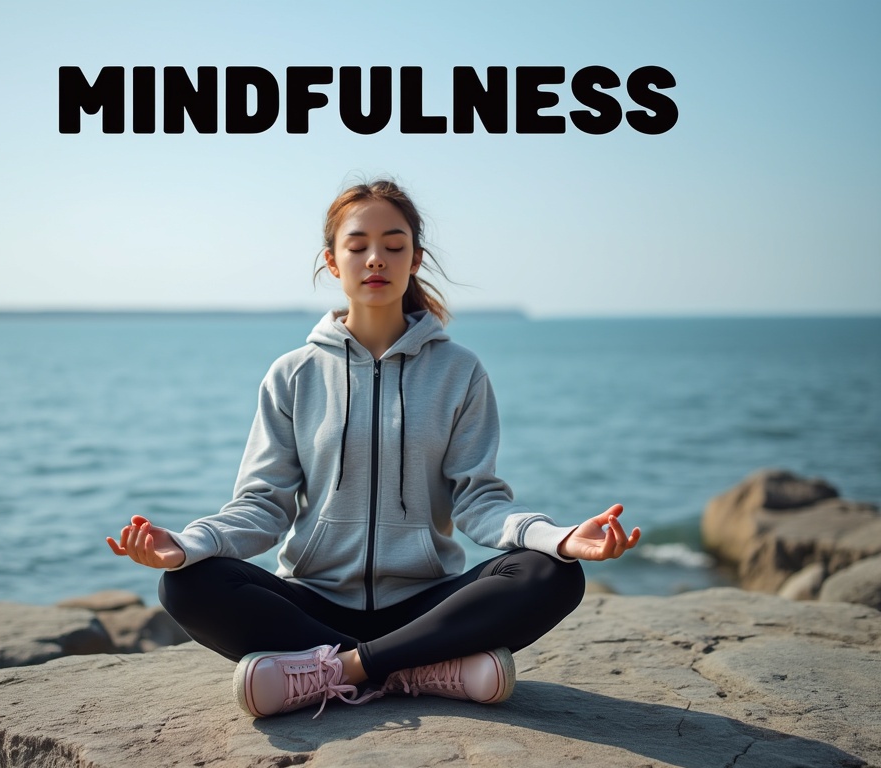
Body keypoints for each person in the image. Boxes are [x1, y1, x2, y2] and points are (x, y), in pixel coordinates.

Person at [107, 179, 640, 719]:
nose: (375, 259)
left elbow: (479, 502)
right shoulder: (293, 374)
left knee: (553, 573)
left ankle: (336, 673)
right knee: (187, 584)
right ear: (332, 263)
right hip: (312, 602)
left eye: (393, 244)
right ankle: (422, 671)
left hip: (426, 605)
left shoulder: (459, 372)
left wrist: (561, 538)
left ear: (416, 259)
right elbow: (263, 506)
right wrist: (188, 543)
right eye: (357, 246)